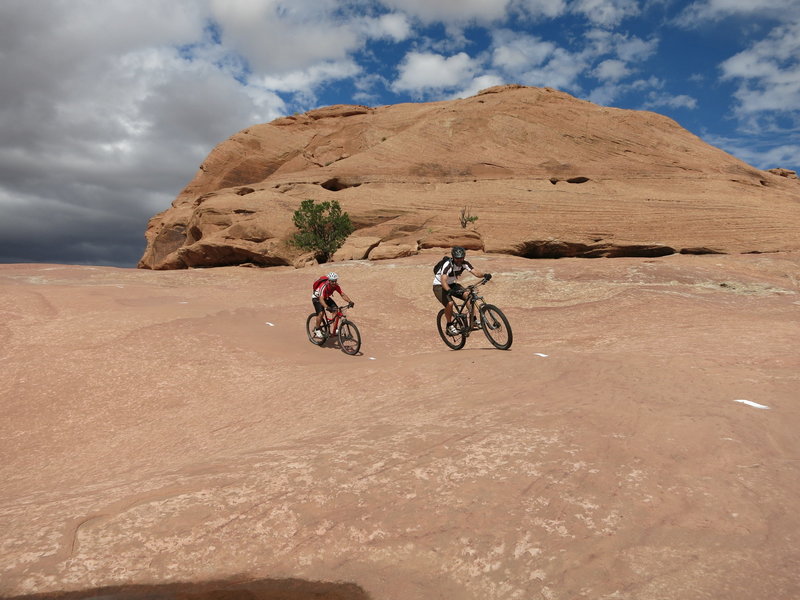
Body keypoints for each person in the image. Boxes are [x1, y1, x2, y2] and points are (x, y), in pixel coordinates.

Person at [432, 246, 491, 335]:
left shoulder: (464, 263)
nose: (459, 260)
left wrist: (484, 275)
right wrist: (449, 290)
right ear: (453, 257)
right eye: (457, 258)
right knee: (449, 303)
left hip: (452, 284)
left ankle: (473, 320)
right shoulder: (448, 265)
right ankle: (449, 325)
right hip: (439, 285)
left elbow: (475, 272)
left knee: (468, 296)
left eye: (461, 258)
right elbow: (443, 280)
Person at [312, 272, 354, 338]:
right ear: (329, 280)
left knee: (335, 310)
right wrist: (327, 307)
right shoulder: (323, 286)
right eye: (332, 281)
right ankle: (317, 329)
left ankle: (335, 329)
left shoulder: (336, 286)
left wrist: (350, 301)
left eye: (335, 281)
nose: (334, 283)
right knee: (321, 313)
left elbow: (342, 294)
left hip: (326, 297)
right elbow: (321, 299)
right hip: (317, 298)